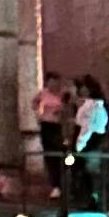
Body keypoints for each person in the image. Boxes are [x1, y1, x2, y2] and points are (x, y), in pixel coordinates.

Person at [69, 76, 109, 213]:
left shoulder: (91, 106)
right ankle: (91, 199)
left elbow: (87, 127)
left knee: (91, 173)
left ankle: (93, 200)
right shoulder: (91, 105)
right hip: (90, 140)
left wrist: (80, 146)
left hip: (90, 142)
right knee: (88, 173)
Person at [34, 72, 73, 200]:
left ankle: (65, 184)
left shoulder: (63, 94)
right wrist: (39, 116)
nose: (53, 85)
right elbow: (34, 104)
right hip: (46, 125)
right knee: (50, 156)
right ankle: (55, 185)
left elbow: (68, 107)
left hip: (58, 126)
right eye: (51, 82)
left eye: (56, 82)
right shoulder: (43, 93)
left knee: (60, 155)